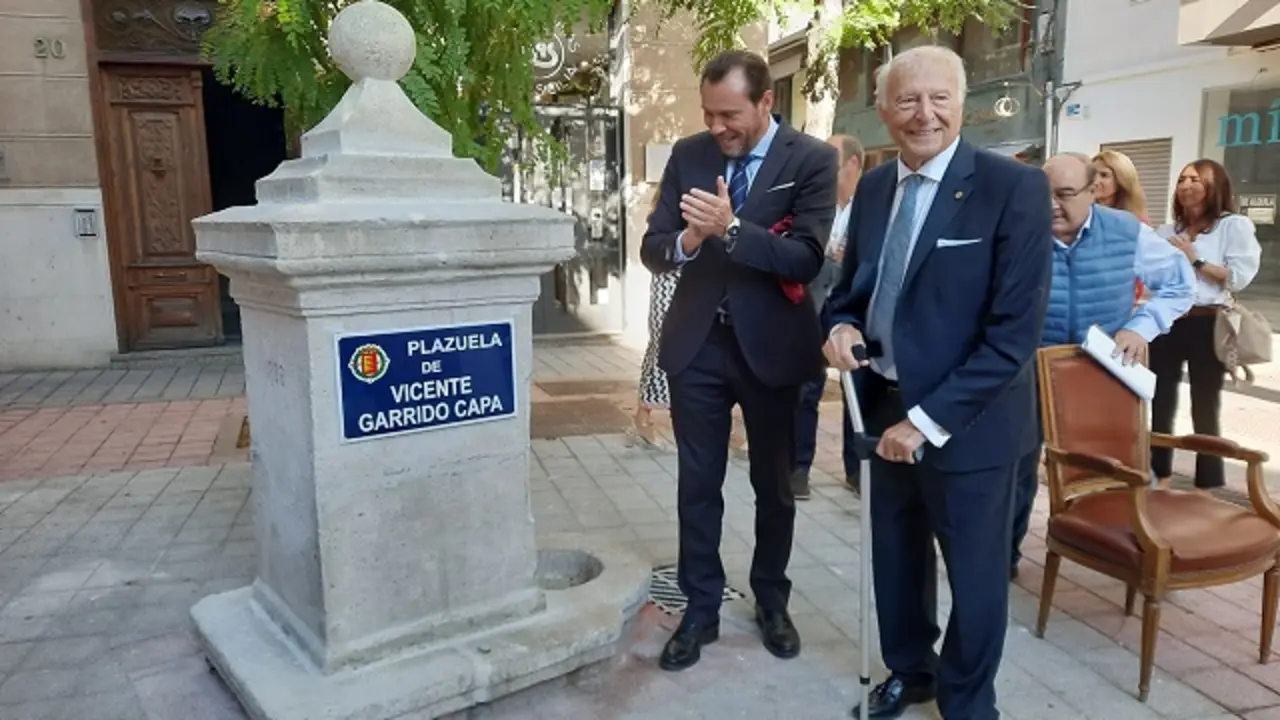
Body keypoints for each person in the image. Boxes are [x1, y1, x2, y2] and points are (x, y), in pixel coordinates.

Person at [822, 45, 1052, 719]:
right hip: (881, 405)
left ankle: (966, 700)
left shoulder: (1012, 189)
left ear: (962, 103)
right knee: (895, 556)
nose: (923, 114)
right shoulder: (870, 187)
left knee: (977, 577)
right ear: (885, 111)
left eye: (938, 98)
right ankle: (909, 671)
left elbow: (1013, 333)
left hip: (969, 424)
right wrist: (837, 328)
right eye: (907, 100)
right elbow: (850, 292)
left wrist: (924, 423)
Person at [640, 49, 837, 672]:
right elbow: (653, 249)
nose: (718, 126)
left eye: (730, 114)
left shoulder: (811, 160)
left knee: (773, 486)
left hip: (772, 349)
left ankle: (772, 601)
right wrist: (688, 240)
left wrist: (729, 230)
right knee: (697, 485)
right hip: (698, 345)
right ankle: (700, 609)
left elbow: (806, 258)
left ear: (765, 102)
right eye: (709, 113)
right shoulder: (690, 155)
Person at [1009, 152, 1194, 578]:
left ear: (1095, 192)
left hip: (1101, 369)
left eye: (1065, 194)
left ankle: (1139, 553)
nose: (1052, 205)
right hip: (1030, 369)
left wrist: (1140, 327)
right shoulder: (1018, 230)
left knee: (1122, 464)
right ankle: (1004, 559)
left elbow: (1180, 285)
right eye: (1044, 195)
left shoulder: (1127, 233)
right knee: (1016, 467)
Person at [1150, 159, 1262, 492]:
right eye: (1182, 179)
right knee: (1160, 403)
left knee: (1205, 407)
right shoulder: (1167, 231)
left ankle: (1208, 486)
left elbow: (1239, 279)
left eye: (1196, 180)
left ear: (1215, 188)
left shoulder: (1233, 226)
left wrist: (1195, 258)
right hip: (1168, 322)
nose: (1186, 185)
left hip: (1207, 322)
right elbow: (1154, 278)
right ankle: (1159, 478)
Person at [791, 133, 865, 500]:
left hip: (855, 311)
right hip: (815, 306)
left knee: (859, 389)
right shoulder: (817, 203)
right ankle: (799, 468)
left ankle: (856, 471)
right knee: (807, 389)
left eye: (829, 164)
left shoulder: (872, 205)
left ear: (853, 165)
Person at [632, 192, 679, 449]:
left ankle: (645, 418)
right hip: (669, 285)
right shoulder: (666, 215)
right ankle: (644, 416)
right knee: (663, 352)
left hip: (686, 287)